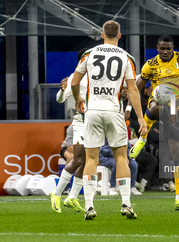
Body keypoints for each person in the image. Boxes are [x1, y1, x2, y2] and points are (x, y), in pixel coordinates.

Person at [71, 20, 147, 220]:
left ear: (102, 34)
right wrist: (141, 117)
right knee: (121, 158)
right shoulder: (126, 57)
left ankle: (88, 206)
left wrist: (78, 98)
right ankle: (126, 203)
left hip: (93, 111)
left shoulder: (90, 54)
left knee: (91, 159)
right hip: (114, 112)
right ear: (120, 36)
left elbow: (75, 81)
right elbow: (132, 90)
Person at [128, 35, 179, 211]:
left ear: (172, 47)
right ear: (157, 48)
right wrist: (129, 108)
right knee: (157, 106)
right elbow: (136, 87)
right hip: (157, 102)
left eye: (168, 48)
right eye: (162, 48)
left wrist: (174, 104)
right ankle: (142, 138)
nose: (166, 51)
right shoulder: (151, 65)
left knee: (177, 151)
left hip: (176, 105)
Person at [50, 49, 88, 214]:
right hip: (80, 122)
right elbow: (60, 99)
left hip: (95, 123)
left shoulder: (98, 77)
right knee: (79, 158)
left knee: (87, 160)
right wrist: (62, 89)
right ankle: (56, 193)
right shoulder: (75, 77)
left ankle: (72, 197)